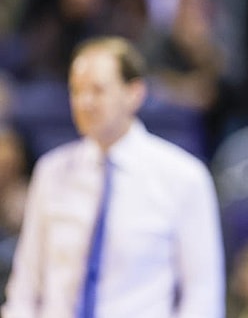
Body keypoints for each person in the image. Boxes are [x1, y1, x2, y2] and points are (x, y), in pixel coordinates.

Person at [1, 36, 225, 317]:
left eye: (97, 90)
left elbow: (202, 294)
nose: (85, 102)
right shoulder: (51, 171)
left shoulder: (183, 177)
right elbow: (26, 284)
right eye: (76, 91)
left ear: (134, 93)